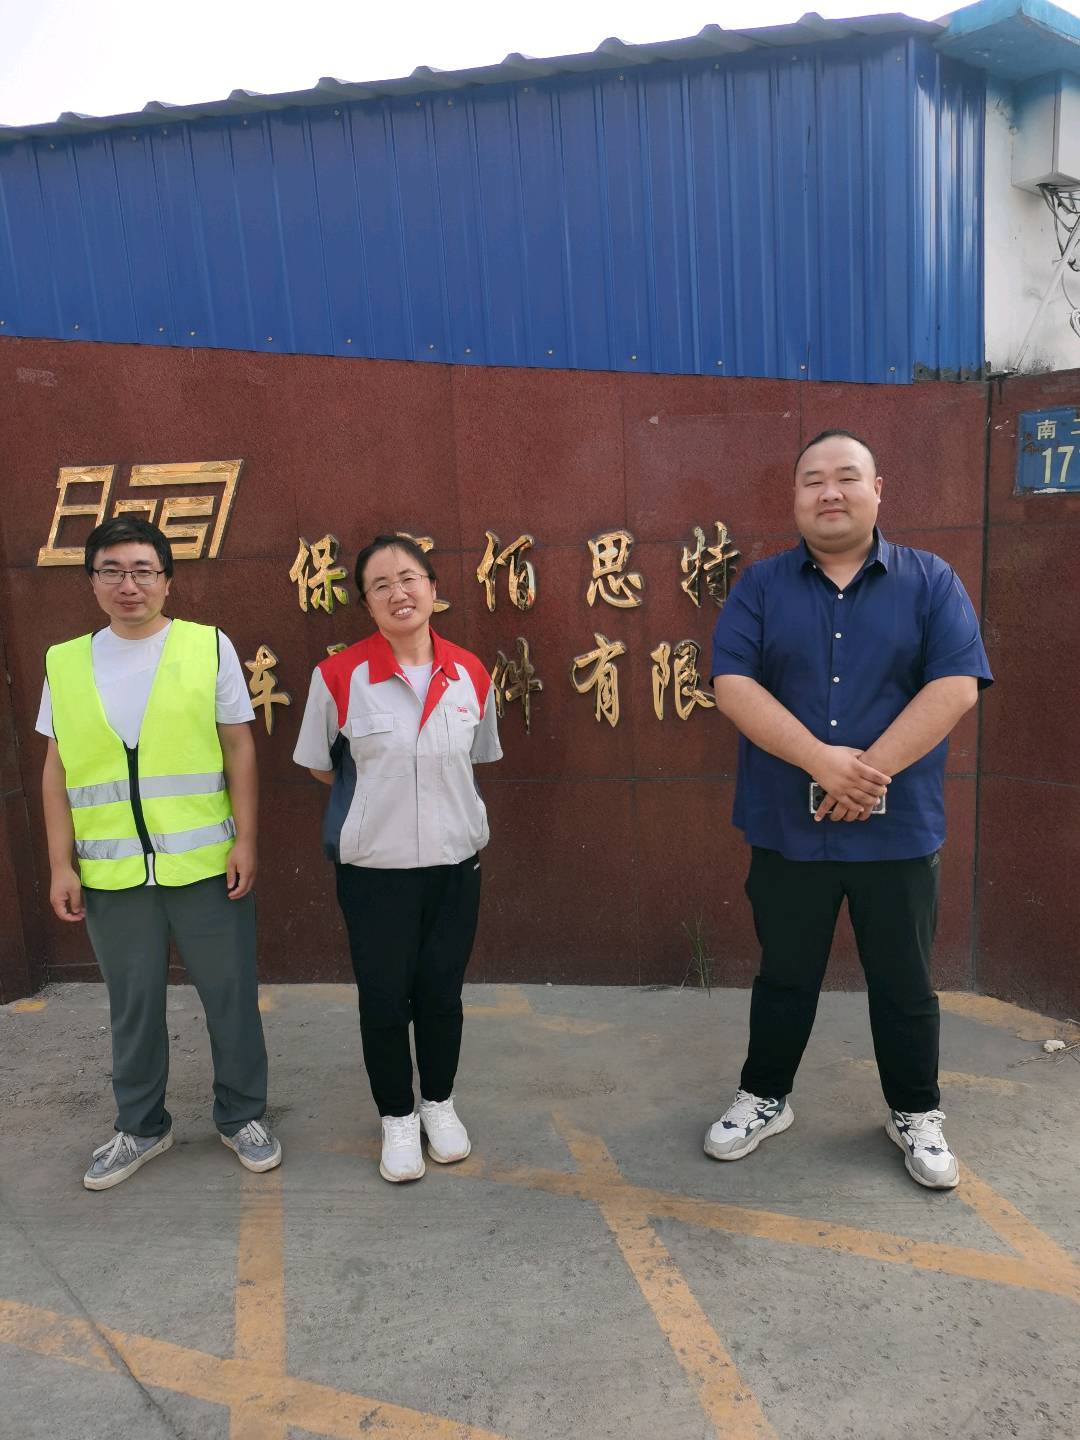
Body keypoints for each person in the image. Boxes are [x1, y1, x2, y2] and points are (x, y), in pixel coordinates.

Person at [705, 430, 992, 1190]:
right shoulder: (760, 586)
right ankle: (765, 1096)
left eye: (845, 477)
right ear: (795, 497)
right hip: (787, 826)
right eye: (812, 480)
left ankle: (915, 1111)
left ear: (877, 490)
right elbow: (732, 684)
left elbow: (956, 685)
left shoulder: (930, 581)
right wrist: (821, 761)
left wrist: (864, 774)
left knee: (904, 982)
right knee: (784, 974)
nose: (829, 492)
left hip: (896, 829)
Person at [39, 517, 280, 1190]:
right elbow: (56, 769)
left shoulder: (207, 646)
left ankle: (242, 1115)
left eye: (144, 570)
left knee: (230, 995)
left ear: (168, 580)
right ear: (92, 581)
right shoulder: (65, 662)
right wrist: (60, 863)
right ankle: (142, 1125)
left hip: (205, 866)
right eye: (112, 570)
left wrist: (246, 839)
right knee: (133, 1005)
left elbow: (238, 746)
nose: (129, 584)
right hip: (112, 873)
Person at [293, 534, 501, 1183]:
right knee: (384, 999)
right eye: (380, 584)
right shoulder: (337, 677)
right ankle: (397, 1117)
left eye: (409, 578)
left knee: (442, 993)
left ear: (434, 588)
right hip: (374, 872)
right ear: (366, 603)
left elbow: (477, 755)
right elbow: (321, 766)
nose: (398, 593)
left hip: (454, 864)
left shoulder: (470, 672)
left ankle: (438, 1103)